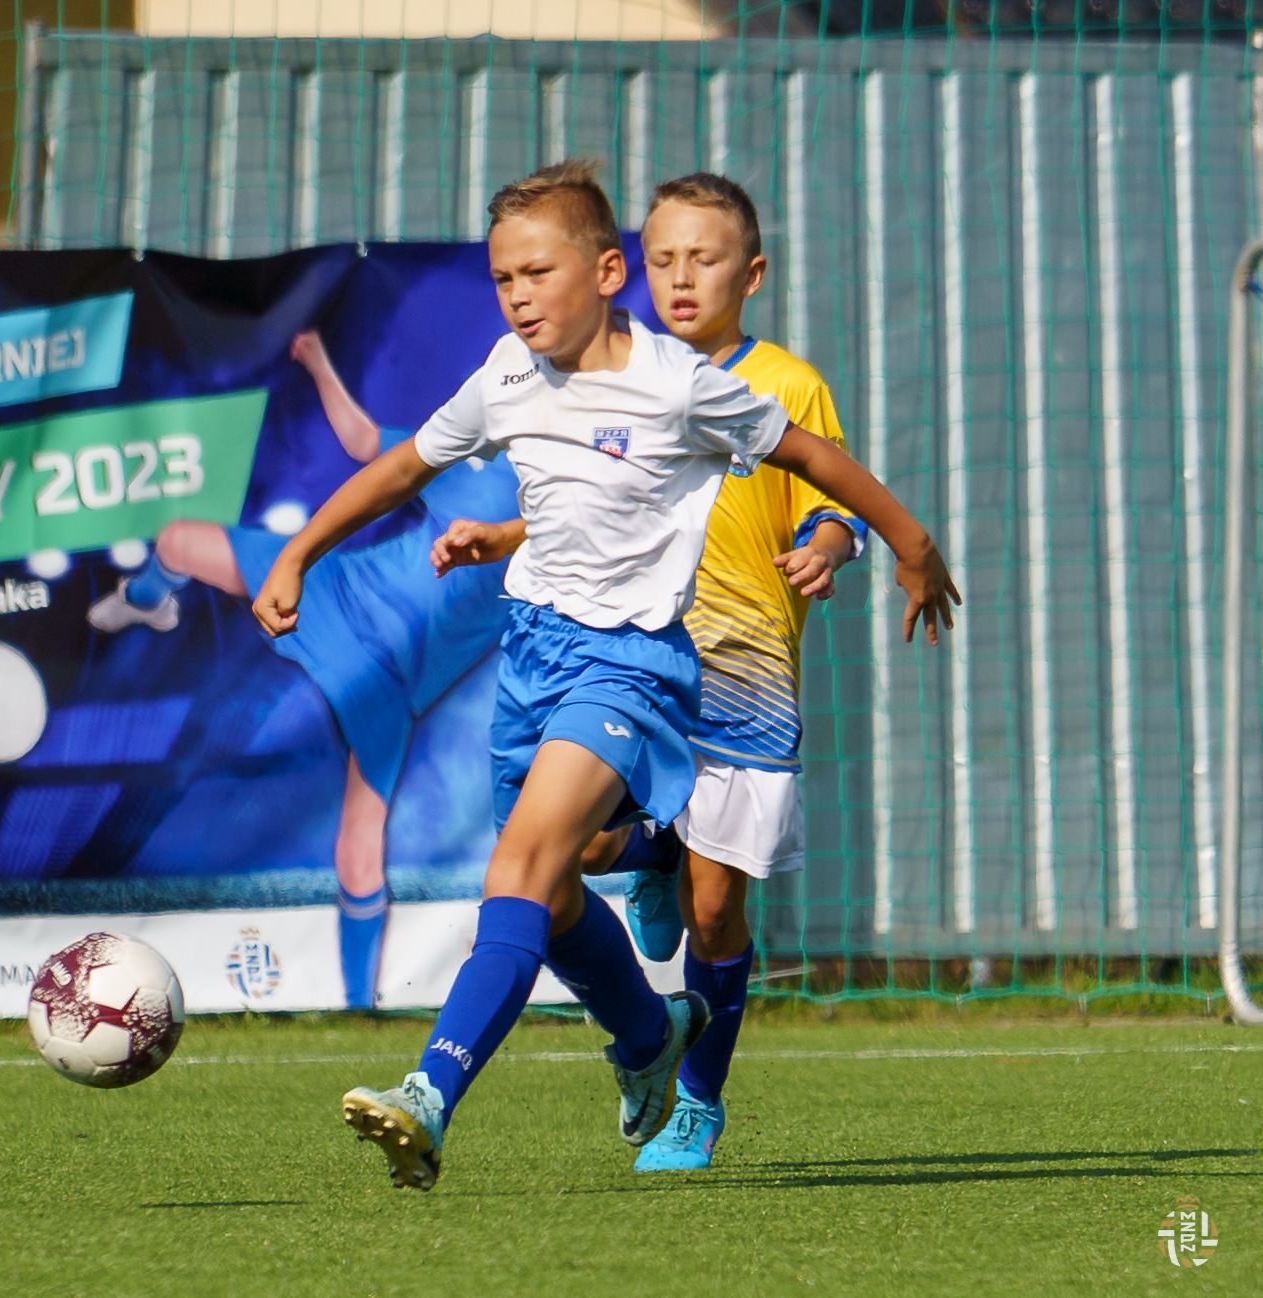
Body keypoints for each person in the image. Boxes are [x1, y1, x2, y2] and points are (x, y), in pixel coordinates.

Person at [252, 159, 958, 1192]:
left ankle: (430, 1093)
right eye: (503, 278)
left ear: (604, 273)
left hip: (633, 662)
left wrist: (906, 539)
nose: (518, 295)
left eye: (538, 272)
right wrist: (298, 553)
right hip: (533, 655)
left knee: (523, 865)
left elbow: (812, 457)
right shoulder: (508, 374)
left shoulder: (679, 384)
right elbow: (406, 466)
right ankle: (646, 1034)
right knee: (554, 887)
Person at [433, 172, 870, 1172]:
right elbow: (587, 505)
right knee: (574, 853)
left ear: (750, 275)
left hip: (742, 672)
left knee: (715, 910)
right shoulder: (600, 371)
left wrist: (830, 544)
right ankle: (653, 867)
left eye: (703, 260)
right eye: (663, 258)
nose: (680, 278)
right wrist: (503, 534)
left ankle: (698, 1100)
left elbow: (831, 498)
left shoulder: (783, 384)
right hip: (624, 662)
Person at [87, 330, 522, 1008]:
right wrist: (320, 361)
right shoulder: (468, 457)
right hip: (336, 588)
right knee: (175, 540)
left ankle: (357, 1009)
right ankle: (145, 601)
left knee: (359, 848)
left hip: (388, 682)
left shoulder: (571, 518)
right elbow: (363, 442)